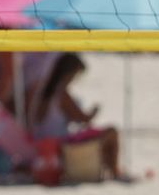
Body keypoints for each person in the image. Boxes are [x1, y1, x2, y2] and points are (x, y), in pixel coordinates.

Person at [27, 53, 129, 181]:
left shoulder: (41, 90)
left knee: (97, 135)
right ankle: (114, 172)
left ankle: (111, 170)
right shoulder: (61, 94)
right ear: (68, 74)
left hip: (44, 144)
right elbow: (83, 118)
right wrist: (94, 111)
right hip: (61, 144)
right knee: (111, 132)